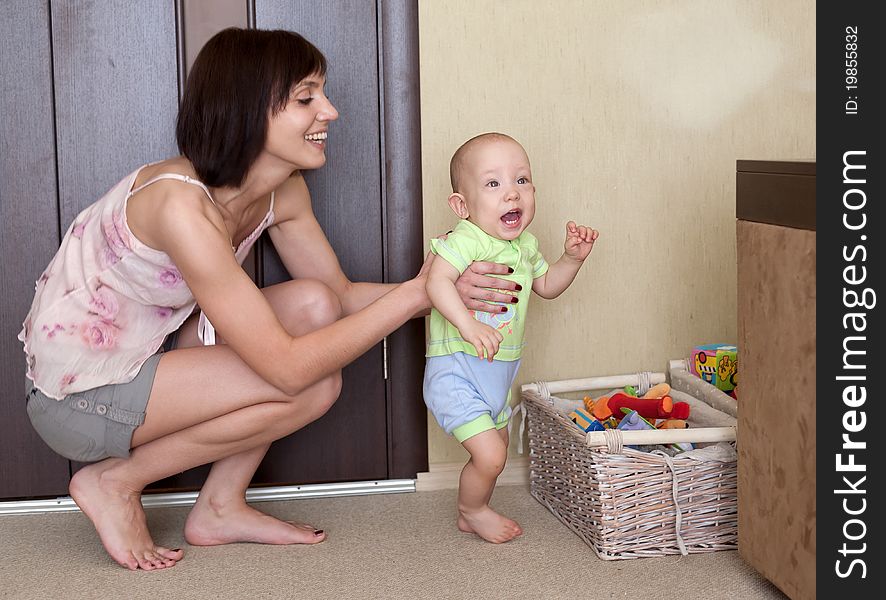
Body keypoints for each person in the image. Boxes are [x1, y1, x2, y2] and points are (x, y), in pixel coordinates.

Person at [18, 29, 520, 571]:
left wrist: (444, 293)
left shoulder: (284, 190)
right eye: (306, 98)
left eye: (321, 94)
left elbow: (342, 295)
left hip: (153, 357)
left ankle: (219, 507)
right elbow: (285, 369)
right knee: (313, 381)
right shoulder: (179, 205)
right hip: (78, 392)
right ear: (247, 109)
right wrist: (419, 293)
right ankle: (116, 480)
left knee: (314, 303)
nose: (329, 110)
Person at [423, 132, 599, 543]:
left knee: (495, 453)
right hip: (457, 367)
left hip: (497, 374)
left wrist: (571, 259)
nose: (511, 195)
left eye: (521, 181)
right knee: (491, 454)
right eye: (493, 184)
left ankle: (474, 507)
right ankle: (472, 510)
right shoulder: (466, 238)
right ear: (461, 205)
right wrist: (468, 325)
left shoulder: (525, 246)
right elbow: (437, 283)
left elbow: (547, 286)